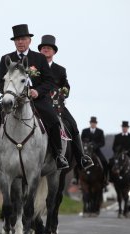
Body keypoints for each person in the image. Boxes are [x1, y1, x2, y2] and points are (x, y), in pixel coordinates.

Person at [0, 24, 72, 175]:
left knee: (54, 120)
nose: (20, 42)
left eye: (23, 39)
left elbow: (49, 81)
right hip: (12, 99)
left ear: (29, 40)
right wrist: (7, 92)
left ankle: (58, 156)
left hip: (36, 99)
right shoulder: (6, 58)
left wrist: (38, 91)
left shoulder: (39, 58)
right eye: (17, 40)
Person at [38, 34, 94, 183]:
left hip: (57, 105)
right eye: (43, 48)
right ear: (40, 51)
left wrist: (64, 92)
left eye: (48, 49)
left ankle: (81, 158)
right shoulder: (33, 67)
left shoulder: (60, 70)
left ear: (54, 52)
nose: (46, 50)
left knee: (73, 126)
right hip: (38, 103)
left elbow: (66, 86)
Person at [81, 116, 108, 185]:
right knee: (78, 161)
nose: (93, 124)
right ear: (90, 123)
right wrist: (86, 145)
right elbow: (81, 140)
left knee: (104, 161)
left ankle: (106, 178)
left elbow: (102, 143)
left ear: (96, 124)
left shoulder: (100, 132)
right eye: (92, 123)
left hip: (96, 151)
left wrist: (95, 146)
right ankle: (76, 178)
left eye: (94, 123)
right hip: (86, 151)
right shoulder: (85, 131)